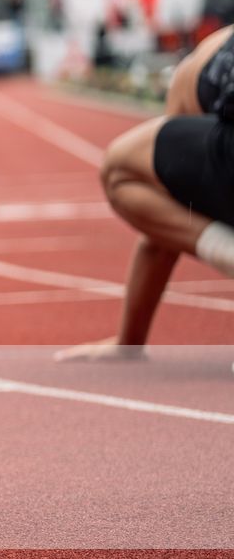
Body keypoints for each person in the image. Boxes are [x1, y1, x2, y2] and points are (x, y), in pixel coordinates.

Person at [59, 25, 234, 362]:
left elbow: (162, 231)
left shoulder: (194, 74)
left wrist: (128, 343)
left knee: (121, 168)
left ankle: (227, 250)